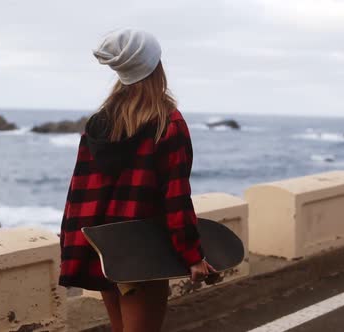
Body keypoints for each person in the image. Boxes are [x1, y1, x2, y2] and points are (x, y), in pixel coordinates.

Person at [58, 28, 216, 332]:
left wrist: (74, 244)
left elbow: (77, 193)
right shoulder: (168, 123)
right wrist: (193, 256)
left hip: (105, 249)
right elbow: (176, 197)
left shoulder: (99, 123)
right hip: (142, 253)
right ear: (155, 66)